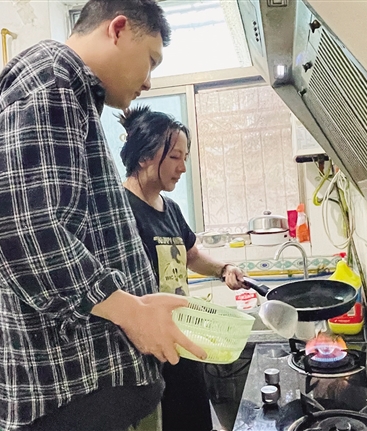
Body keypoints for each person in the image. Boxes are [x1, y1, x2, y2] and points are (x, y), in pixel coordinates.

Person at [0, 1, 206, 430]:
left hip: (81, 400)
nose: (149, 81)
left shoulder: (70, 92)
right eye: (150, 60)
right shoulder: (54, 80)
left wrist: (137, 301)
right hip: (63, 403)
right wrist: (130, 311)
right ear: (118, 29)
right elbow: (7, 227)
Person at [118, 106, 245, 431]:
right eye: (175, 157)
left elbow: (190, 255)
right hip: (146, 355)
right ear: (144, 157)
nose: (183, 167)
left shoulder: (170, 209)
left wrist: (223, 268)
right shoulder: (119, 211)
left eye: (184, 157)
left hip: (181, 342)